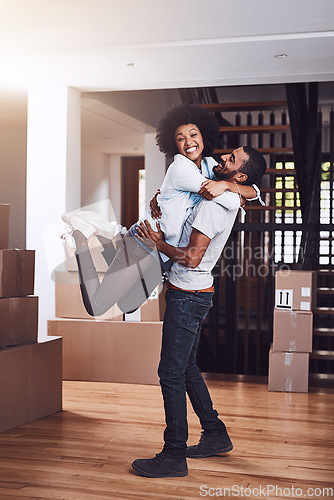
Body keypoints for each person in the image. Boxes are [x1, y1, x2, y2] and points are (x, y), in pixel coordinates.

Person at [131, 145, 267, 478]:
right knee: (186, 368)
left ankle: (174, 454)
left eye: (231, 160)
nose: (223, 159)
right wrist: (163, 200)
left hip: (189, 294)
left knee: (171, 373)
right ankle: (216, 435)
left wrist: (157, 244)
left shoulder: (216, 206)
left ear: (239, 174)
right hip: (192, 292)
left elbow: (191, 257)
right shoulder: (218, 190)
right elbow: (255, 192)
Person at [61, 105, 259, 316]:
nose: (189, 142)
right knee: (96, 306)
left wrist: (228, 185)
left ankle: (110, 236)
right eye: (180, 138)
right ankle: (81, 235)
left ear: (203, 136)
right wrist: (232, 193)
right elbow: (227, 198)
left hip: (162, 254)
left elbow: (255, 191)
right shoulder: (180, 168)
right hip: (144, 241)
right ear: (173, 143)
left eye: (193, 134)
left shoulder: (210, 165)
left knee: (128, 306)